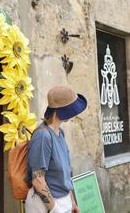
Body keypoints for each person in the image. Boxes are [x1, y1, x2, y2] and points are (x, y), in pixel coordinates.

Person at [25, 85, 87, 213]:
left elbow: (64, 173)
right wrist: (55, 210)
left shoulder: (60, 133)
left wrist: (72, 202)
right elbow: (38, 180)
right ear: (62, 111)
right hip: (45, 206)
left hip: (63, 202)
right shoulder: (43, 137)